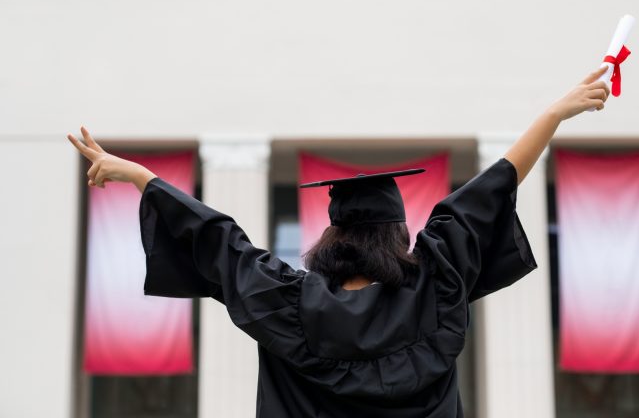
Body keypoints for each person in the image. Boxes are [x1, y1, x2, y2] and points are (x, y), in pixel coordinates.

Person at [67, 67, 610, 417]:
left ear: (332, 237)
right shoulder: (434, 289)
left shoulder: (288, 305)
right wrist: (554, 114)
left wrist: (141, 176)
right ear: (399, 236)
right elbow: (490, 190)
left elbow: (216, 239)